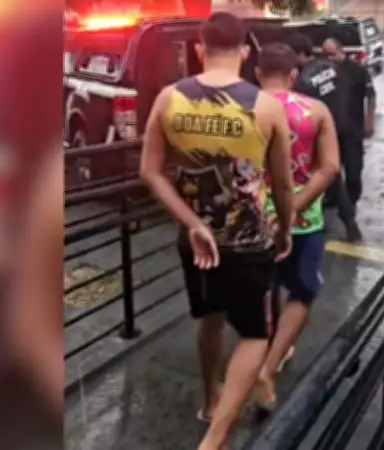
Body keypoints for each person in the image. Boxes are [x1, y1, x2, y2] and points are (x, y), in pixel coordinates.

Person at [139, 12, 295, 450]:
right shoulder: (266, 106)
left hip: (196, 242)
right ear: (245, 52)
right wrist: (285, 228)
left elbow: (150, 172)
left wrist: (191, 223)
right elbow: (282, 184)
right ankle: (215, 437)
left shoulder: (169, 99)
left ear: (199, 49)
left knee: (210, 319)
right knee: (254, 333)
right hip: (249, 239)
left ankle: (210, 400)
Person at [251, 42, 340, 411]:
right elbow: (329, 167)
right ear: (294, 74)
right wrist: (293, 207)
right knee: (302, 293)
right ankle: (268, 368)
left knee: (258, 288)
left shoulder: (242, 109)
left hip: (252, 218)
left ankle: (256, 352)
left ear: (257, 73)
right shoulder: (315, 110)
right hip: (303, 221)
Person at [287, 32, 363, 243]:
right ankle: (348, 220)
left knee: (330, 176)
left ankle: (346, 222)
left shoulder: (303, 81)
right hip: (346, 124)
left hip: (325, 131)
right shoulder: (333, 67)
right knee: (348, 171)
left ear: (299, 54)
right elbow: (348, 92)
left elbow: (303, 110)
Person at [322, 37, 376, 205]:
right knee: (332, 167)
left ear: (341, 51)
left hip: (353, 127)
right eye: (326, 55)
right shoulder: (324, 73)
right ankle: (333, 198)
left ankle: (352, 199)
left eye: (332, 54)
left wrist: (369, 121)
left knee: (353, 168)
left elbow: (371, 95)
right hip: (332, 129)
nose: (329, 58)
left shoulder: (357, 70)